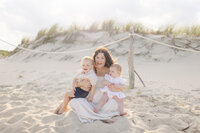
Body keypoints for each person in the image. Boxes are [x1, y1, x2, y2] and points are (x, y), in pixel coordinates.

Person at [68, 47, 126, 123]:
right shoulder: (90, 68)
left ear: (106, 59)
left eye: (102, 58)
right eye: (97, 57)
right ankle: (102, 117)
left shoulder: (111, 70)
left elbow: (121, 86)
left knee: (114, 104)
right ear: (94, 58)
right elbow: (76, 80)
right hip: (90, 99)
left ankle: (94, 115)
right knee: (75, 102)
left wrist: (114, 86)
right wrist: (80, 83)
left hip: (103, 101)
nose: (99, 60)